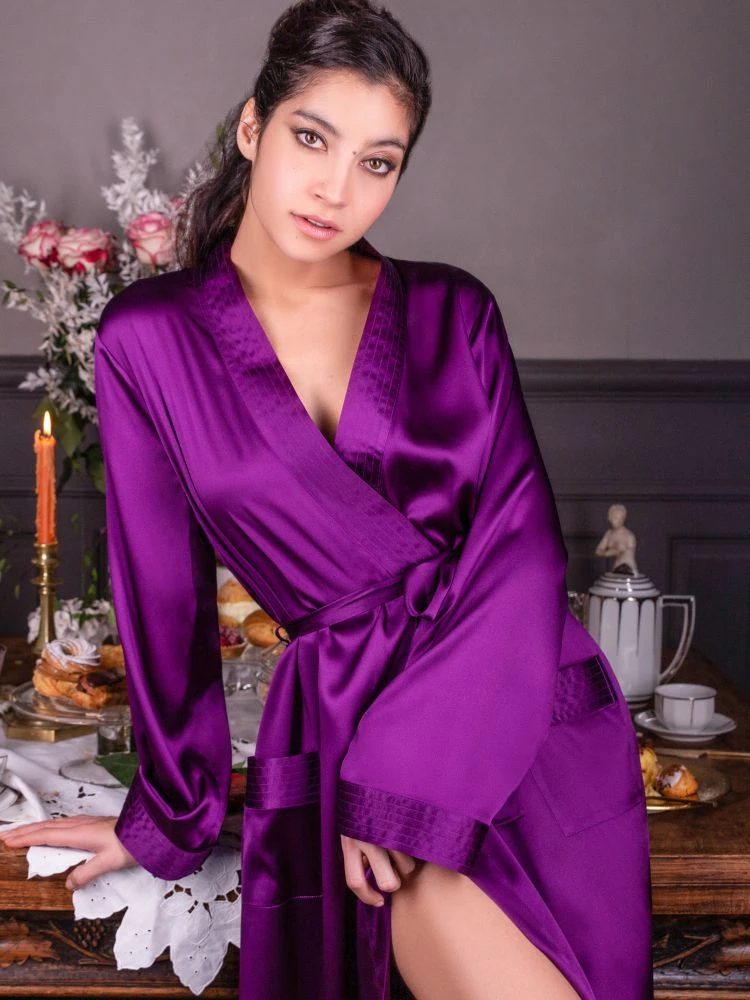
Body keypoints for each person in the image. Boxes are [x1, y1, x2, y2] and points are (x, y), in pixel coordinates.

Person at [0, 1, 654, 997]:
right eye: (313, 138)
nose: (337, 189)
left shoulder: (454, 310)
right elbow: (166, 601)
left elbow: (519, 554)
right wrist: (166, 818)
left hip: (512, 708)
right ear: (252, 128)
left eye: (377, 162)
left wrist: (404, 778)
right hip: (344, 723)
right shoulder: (148, 340)